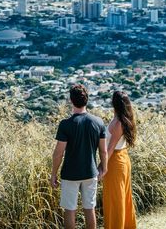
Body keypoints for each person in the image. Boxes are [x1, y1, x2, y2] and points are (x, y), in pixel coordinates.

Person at [51, 84, 107, 229]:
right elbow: (103, 151)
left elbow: (58, 154)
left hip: (70, 174)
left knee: (70, 210)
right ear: (86, 100)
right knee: (90, 208)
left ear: (71, 100)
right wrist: (104, 168)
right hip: (90, 172)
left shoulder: (65, 124)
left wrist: (53, 174)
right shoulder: (98, 122)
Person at [102, 91, 137, 229]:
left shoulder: (118, 123)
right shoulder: (123, 119)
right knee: (122, 197)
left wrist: (102, 167)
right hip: (122, 158)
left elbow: (110, 149)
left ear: (114, 103)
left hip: (115, 161)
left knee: (116, 199)